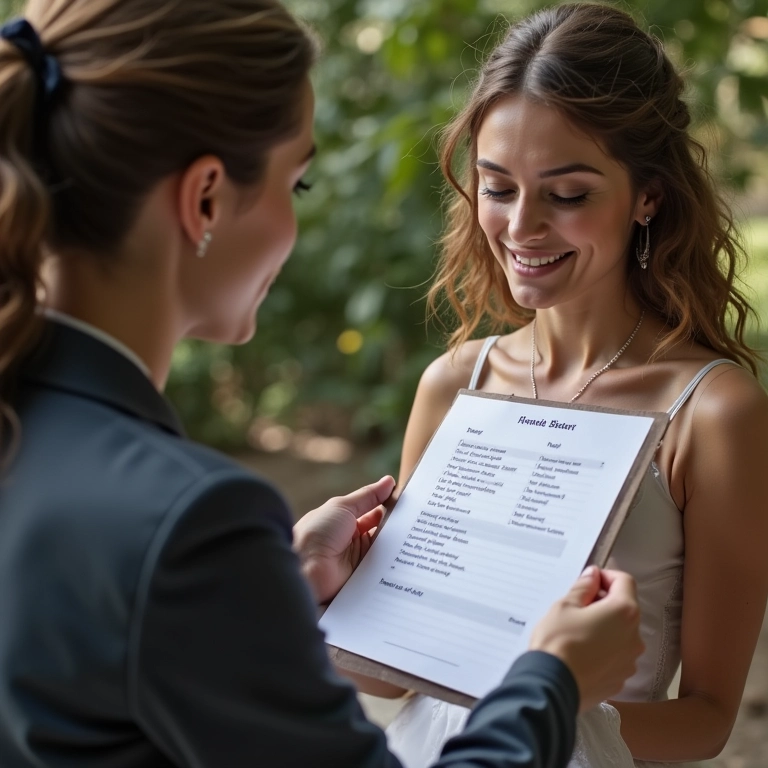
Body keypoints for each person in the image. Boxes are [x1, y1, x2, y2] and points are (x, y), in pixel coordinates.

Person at [0, 1, 645, 766]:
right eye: (296, 183)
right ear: (205, 196)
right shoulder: (191, 519)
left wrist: (273, 594)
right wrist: (555, 679)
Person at [360, 3, 768, 768]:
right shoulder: (455, 383)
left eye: (567, 193)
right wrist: (317, 594)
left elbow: (709, 718)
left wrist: (545, 729)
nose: (520, 227)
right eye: (498, 187)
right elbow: (390, 676)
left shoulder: (713, 412)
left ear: (648, 195)